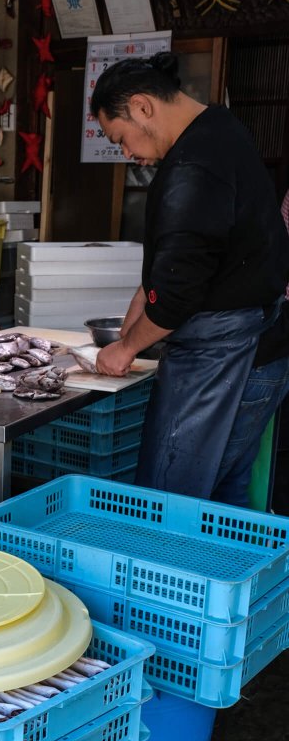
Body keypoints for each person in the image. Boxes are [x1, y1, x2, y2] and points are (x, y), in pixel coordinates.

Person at [90, 52, 289, 506]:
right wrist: (140, 303)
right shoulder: (221, 129)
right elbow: (188, 255)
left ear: (142, 107)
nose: (126, 153)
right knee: (221, 498)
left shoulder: (191, 170)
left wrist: (127, 347)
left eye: (120, 138)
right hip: (263, 345)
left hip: (227, 357)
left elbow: (178, 296)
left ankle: (167, 578)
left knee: (170, 500)